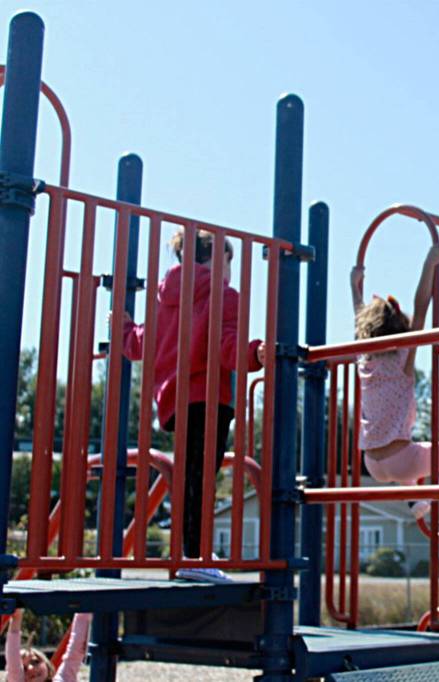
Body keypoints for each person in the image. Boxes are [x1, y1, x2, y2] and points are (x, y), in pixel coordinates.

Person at [119, 229, 265, 582]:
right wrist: (255, 354)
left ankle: (195, 552)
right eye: (229, 261)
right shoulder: (224, 296)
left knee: (192, 476)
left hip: (173, 403)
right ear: (218, 260)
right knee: (201, 478)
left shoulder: (164, 298)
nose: (230, 271)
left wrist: (122, 328)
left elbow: (139, 343)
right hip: (209, 397)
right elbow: (226, 345)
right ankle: (196, 556)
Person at [351, 244, 439, 519]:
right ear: (400, 331)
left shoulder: (364, 360)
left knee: (412, 450)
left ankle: (415, 500)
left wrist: (354, 286)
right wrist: (430, 263)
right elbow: (421, 308)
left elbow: (358, 320)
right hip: (402, 460)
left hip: (372, 463)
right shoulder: (403, 355)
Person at [5, 610, 91, 681]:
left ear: (46, 664)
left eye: (36, 662)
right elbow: (13, 665)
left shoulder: (63, 678)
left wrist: (84, 610)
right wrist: (17, 616)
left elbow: (75, 650)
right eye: (24, 669)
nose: (31, 668)